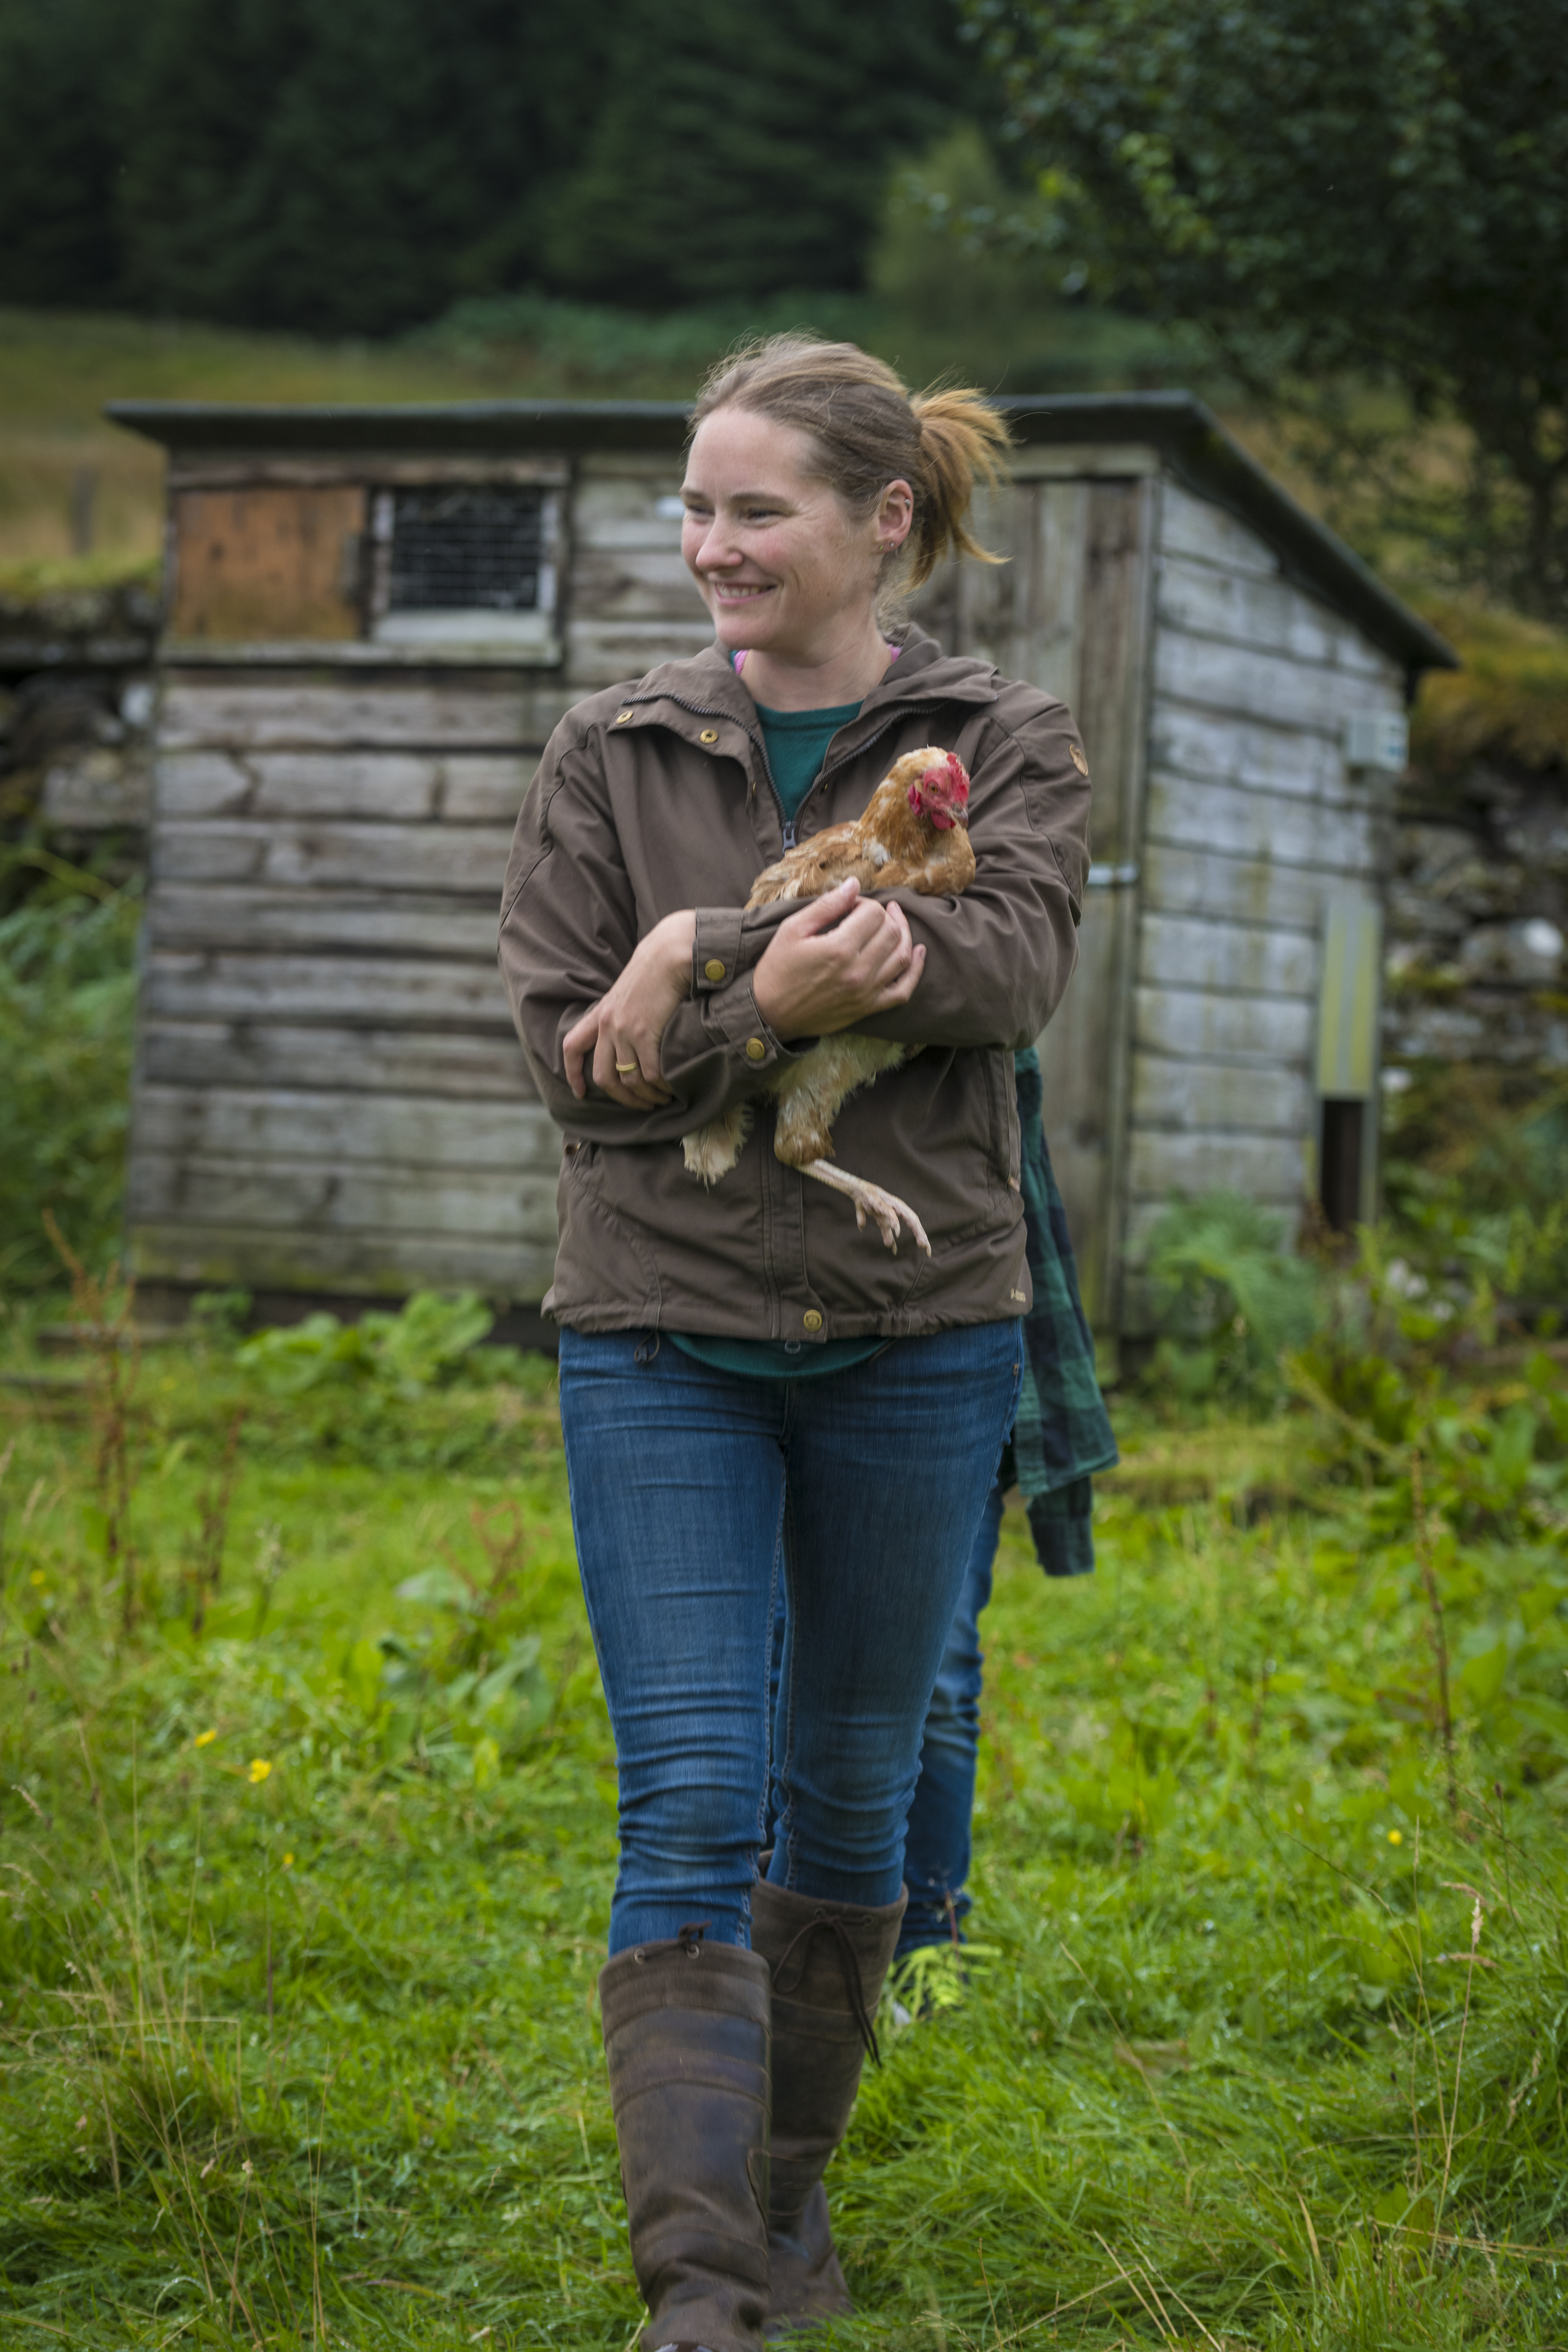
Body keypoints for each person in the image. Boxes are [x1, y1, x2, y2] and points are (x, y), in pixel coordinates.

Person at [497, 337, 1092, 2352]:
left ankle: (780, 2211)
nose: (711, 545)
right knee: (687, 1782)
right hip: (660, 1313)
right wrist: (725, 998)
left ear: (881, 520)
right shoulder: (615, 749)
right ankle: (698, 2292)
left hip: (918, 1331)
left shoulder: (998, 733)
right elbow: (572, 1067)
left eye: (755, 510)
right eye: (695, 508)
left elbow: (1005, 966)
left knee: (845, 1788)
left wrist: (689, 971)